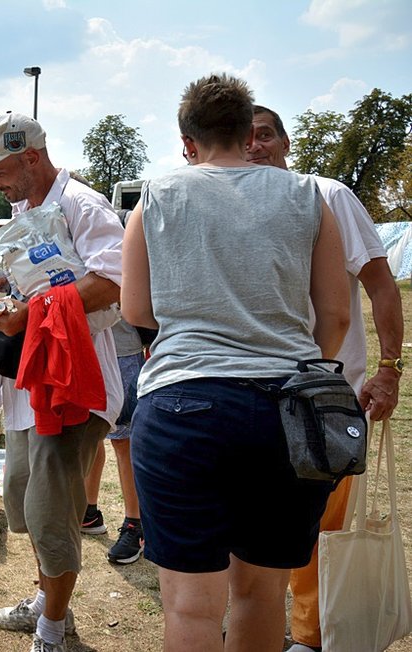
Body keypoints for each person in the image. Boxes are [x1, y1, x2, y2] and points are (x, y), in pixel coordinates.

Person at [121, 73, 350, 651]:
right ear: (250, 132)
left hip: (182, 405)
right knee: (261, 595)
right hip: (287, 413)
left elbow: (137, 308)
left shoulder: (156, 197)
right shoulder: (308, 197)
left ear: (187, 139)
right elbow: (338, 316)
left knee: (192, 606)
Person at [248, 105, 404, 652]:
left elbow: (382, 286)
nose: (254, 146)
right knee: (252, 523)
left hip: (330, 400)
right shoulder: (228, 206)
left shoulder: (328, 195)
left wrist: (388, 369)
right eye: (242, 137)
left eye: (264, 135)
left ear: (286, 142)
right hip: (253, 393)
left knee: (320, 527)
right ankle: (257, 626)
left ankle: (312, 637)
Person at [0, 112, 124, 652]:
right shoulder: (23, 209)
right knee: (21, 497)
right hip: (30, 382)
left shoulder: (83, 204)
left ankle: (53, 631)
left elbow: (114, 281)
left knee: (51, 513)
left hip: (74, 381)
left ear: (32, 157)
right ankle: (46, 601)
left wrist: (31, 310)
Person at [81, 318, 146, 565]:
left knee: (124, 441)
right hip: (83, 346)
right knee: (89, 432)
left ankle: (135, 524)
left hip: (122, 350)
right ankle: (88, 511)